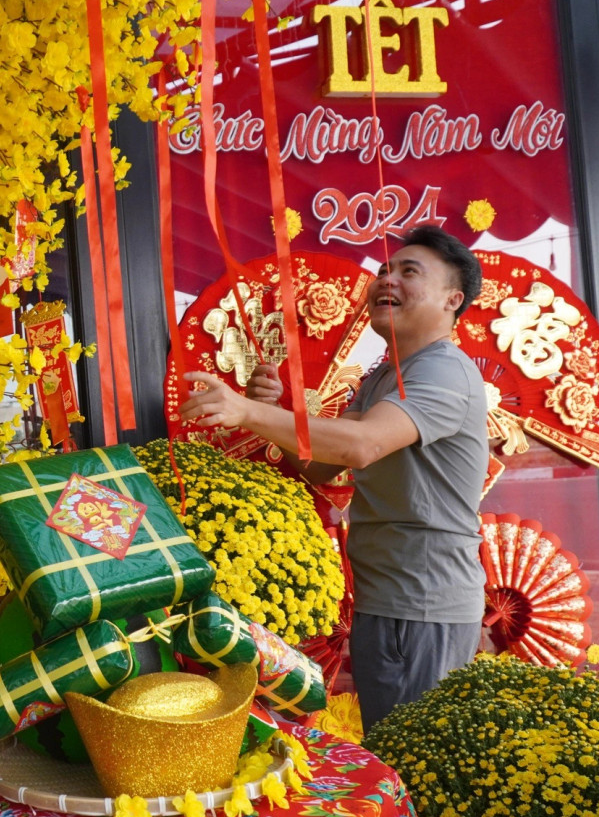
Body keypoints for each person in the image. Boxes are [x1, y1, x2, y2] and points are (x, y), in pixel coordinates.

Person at [178, 225, 487, 732]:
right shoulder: (386, 375)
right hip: (385, 596)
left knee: (408, 756)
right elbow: (321, 465)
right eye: (385, 269)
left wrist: (245, 413)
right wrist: (270, 409)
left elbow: (361, 445)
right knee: (391, 746)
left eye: (410, 271)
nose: (388, 279)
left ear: (453, 300)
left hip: (424, 602)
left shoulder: (444, 371)